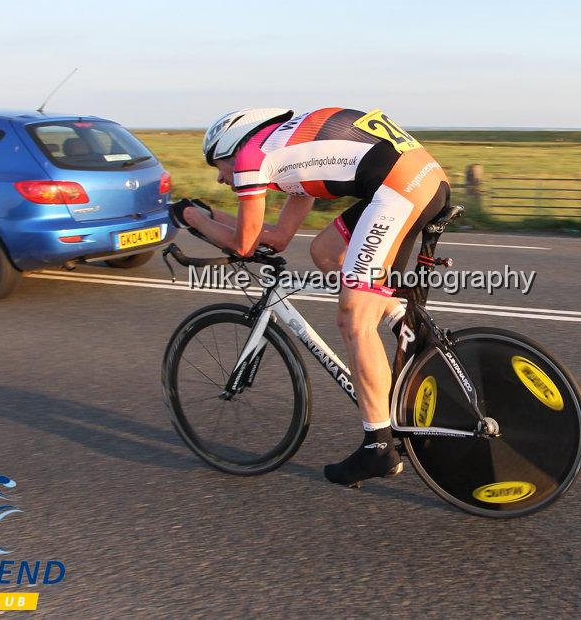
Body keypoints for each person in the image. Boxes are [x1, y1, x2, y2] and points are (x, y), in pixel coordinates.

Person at [170, 107, 449, 486]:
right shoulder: (286, 155)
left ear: (233, 147)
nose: (221, 178)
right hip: (417, 178)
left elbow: (245, 243)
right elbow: (278, 237)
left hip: (398, 191)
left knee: (353, 319)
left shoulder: (253, 159)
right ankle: (402, 322)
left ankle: (378, 446)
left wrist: (192, 217)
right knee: (326, 251)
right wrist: (211, 216)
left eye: (218, 166)